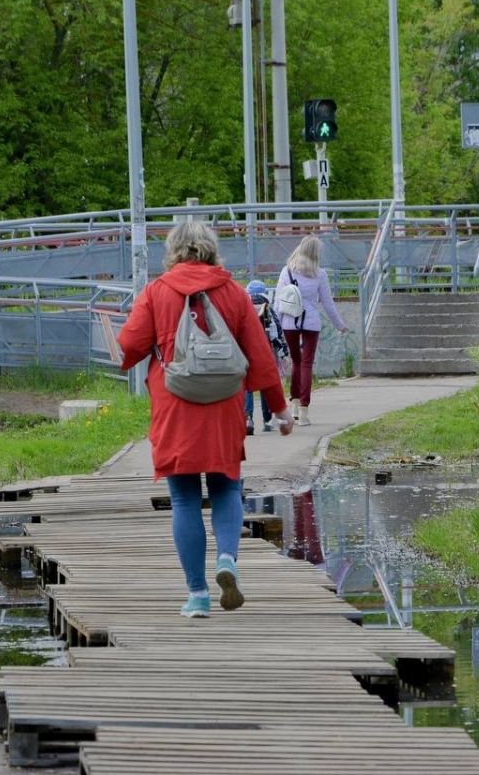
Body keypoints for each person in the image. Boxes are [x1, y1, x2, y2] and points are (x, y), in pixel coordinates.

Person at [117, 221, 294, 619]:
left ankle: (197, 595)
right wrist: (280, 408)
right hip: (224, 407)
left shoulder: (157, 292)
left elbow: (128, 349)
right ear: (211, 250)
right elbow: (261, 357)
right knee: (228, 489)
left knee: (184, 498)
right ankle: (227, 559)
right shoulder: (233, 293)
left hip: (175, 407)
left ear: (174, 251)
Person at [275, 235, 349, 426]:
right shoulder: (320, 274)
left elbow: (278, 301)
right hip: (311, 324)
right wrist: (340, 325)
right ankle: (304, 413)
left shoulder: (287, 271)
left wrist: (277, 325)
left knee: (295, 363)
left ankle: (294, 405)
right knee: (306, 364)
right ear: (316, 254)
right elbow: (328, 304)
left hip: (290, 323)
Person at [242, 279, 288, 435]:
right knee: (265, 385)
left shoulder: (243, 306)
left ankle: (248, 418)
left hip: (245, 351)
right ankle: (267, 420)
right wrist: (283, 349)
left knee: (247, 386)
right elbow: (278, 329)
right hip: (264, 351)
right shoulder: (267, 308)